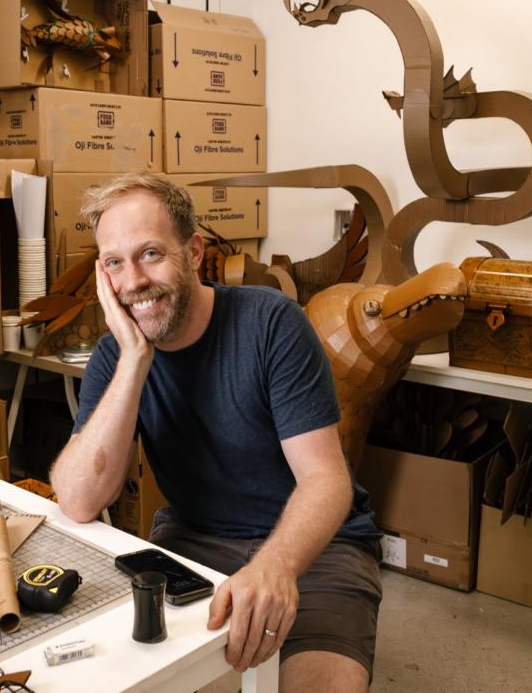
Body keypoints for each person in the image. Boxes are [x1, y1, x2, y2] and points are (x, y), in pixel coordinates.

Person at [50, 173, 382, 693]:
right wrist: (136, 359)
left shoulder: (271, 323)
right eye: (114, 262)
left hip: (317, 546)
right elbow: (77, 499)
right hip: (194, 539)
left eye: (151, 253)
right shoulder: (117, 355)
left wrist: (275, 567)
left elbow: (326, 480)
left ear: (194, 252)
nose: (133, 280)